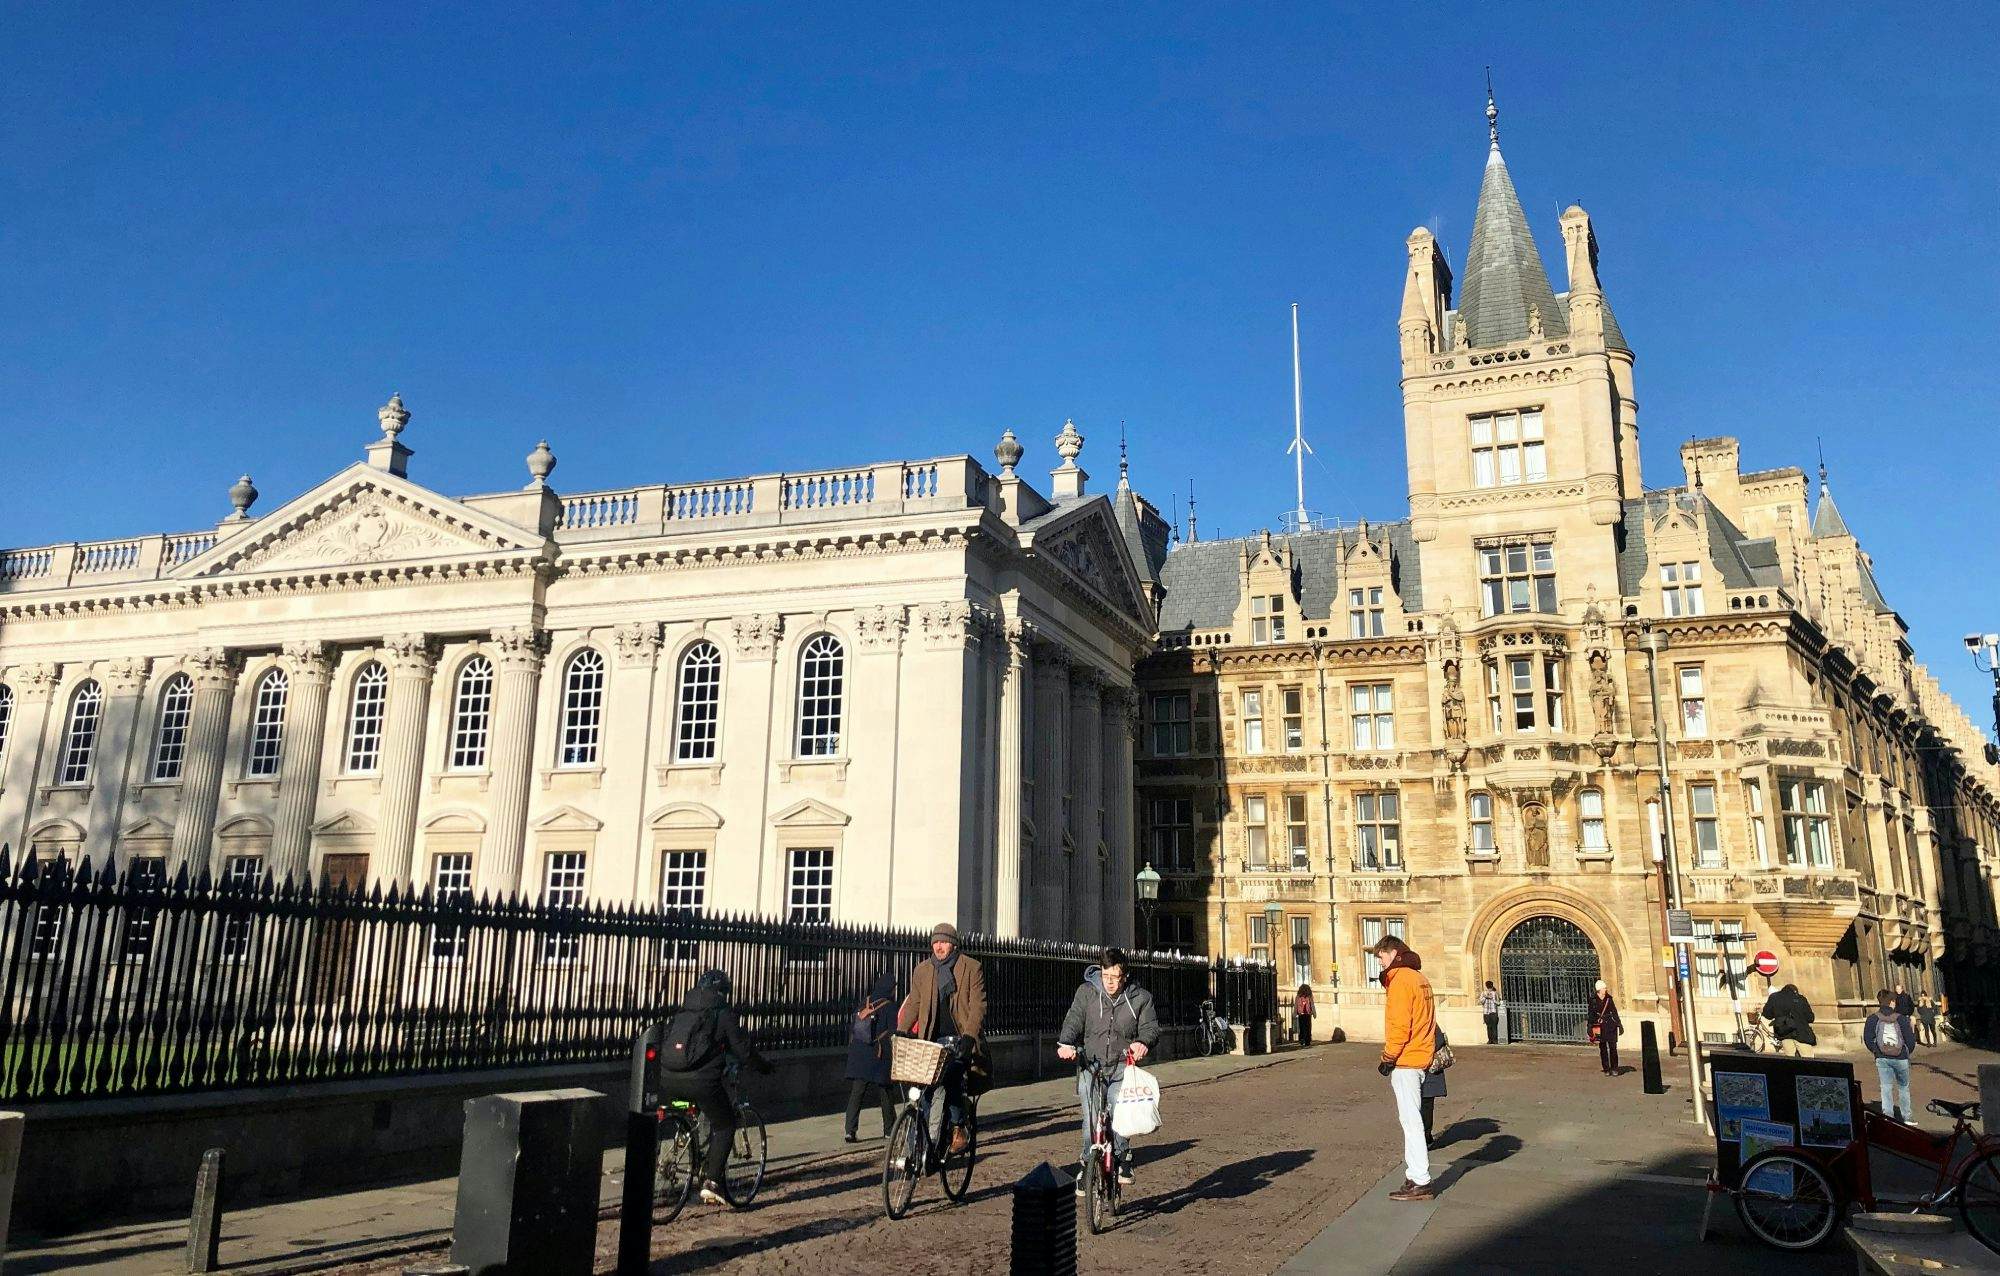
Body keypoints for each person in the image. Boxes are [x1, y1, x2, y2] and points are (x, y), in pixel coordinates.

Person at [656, 969, 774, 1206]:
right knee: (725, 1123)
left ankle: (683, 1143)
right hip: (702, 1083)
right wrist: (764, 1067)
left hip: (668, 1078)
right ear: (722, 992)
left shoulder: (684, 1011)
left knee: (691, 1110)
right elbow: (742, 1050)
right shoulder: (723, 1014)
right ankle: (712, 1182)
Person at [1057, 947, 1162, 1191]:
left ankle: (1123, 1156)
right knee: (1091, 1118)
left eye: (1115, 977)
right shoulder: (1086, 993)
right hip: (1091, 1066)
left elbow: (1151, 1028)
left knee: (1120, 1113)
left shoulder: (1140, 998)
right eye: (1106, 976)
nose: (1110, 982)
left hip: (1122, 1068)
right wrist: (1066, 1043)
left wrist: (1142, 1043)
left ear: (1125, 976)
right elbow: (1074, 1020)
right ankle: (1086, 1162)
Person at [898, 922, 988, 1154]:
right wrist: (902, 1030)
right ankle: (927, 1140)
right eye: (936, 942)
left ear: (953, 944)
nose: (939, 946)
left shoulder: (971, 967)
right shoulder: (923, 970)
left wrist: (969, 1037)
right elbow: (914, 1004)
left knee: (952, 1078)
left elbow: (978, 1006)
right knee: (925, 1085)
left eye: (944, 942)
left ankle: (959, 1126)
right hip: (931, 1038)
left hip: (959, 1037)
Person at [1374, 934, 1437, 1202]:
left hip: (1407, 1060)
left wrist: (1388, 1057)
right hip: (1421, 1055)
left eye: (1381, 957)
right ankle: (1414, 1174)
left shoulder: (1400, 981)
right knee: (1412, 1119)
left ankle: (1420, 1179)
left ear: (1393, 954)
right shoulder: (1421, 979)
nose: (1379, 963)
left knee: (1411, 1121)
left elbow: (1400, 1025)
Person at [844, 971, 898, 1143]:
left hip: (859, 1053)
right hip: (878, 1053)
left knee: (857, 1092)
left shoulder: (865, 1001)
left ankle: (850, 1130)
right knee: (885, 1092)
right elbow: (893, 1030)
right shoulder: (890, 1006)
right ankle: (889, 1129)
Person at [1866, 988, 1918, 1121]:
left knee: (1886, 1087)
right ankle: (1907, 1116)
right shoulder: (1900, 1018)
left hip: (1882, 1058)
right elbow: (1910, 1040)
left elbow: (1867, 1038)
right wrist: (1906, 1051)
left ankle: (1888, 1116)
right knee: (1903, 1088)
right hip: (1900, 1057)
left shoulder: (1872, 1019)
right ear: (1892, 1002)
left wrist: (1876, 1051)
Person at [1760, 983, 1818, 1057]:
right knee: (1808, 1058)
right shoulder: (1801, 999)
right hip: (1801, 1033)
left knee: (1789, 1058)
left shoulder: (1774, 997)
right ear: (1795, 991)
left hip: (1784, 1033)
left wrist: (1778, 1015)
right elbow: (1810, 1018)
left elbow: (1767, 1014)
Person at [1420, 1025, 1450, 1147]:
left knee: (1425, 1105)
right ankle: (1424, 1136)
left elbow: (1439, 1040)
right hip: (1417, 1070)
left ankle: (1425, 1136)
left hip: (1428, 1071)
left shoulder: (1429, 1022)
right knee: (1422, 1106)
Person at [1589, 980, 1622, 1076]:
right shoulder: (1593, 1000)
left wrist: (1619, 1024)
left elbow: (1614, 1012)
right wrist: (1590, 1026)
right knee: (1602, 1048)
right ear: (1599, 989)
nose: (1606, 989)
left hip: (1610, 1025)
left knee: (1613, 1047)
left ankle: (1614, 1068)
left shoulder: (1609, 999)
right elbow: (1590, 1014)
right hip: (1599, 1026)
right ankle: (1606, 1068)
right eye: (1604, 988)